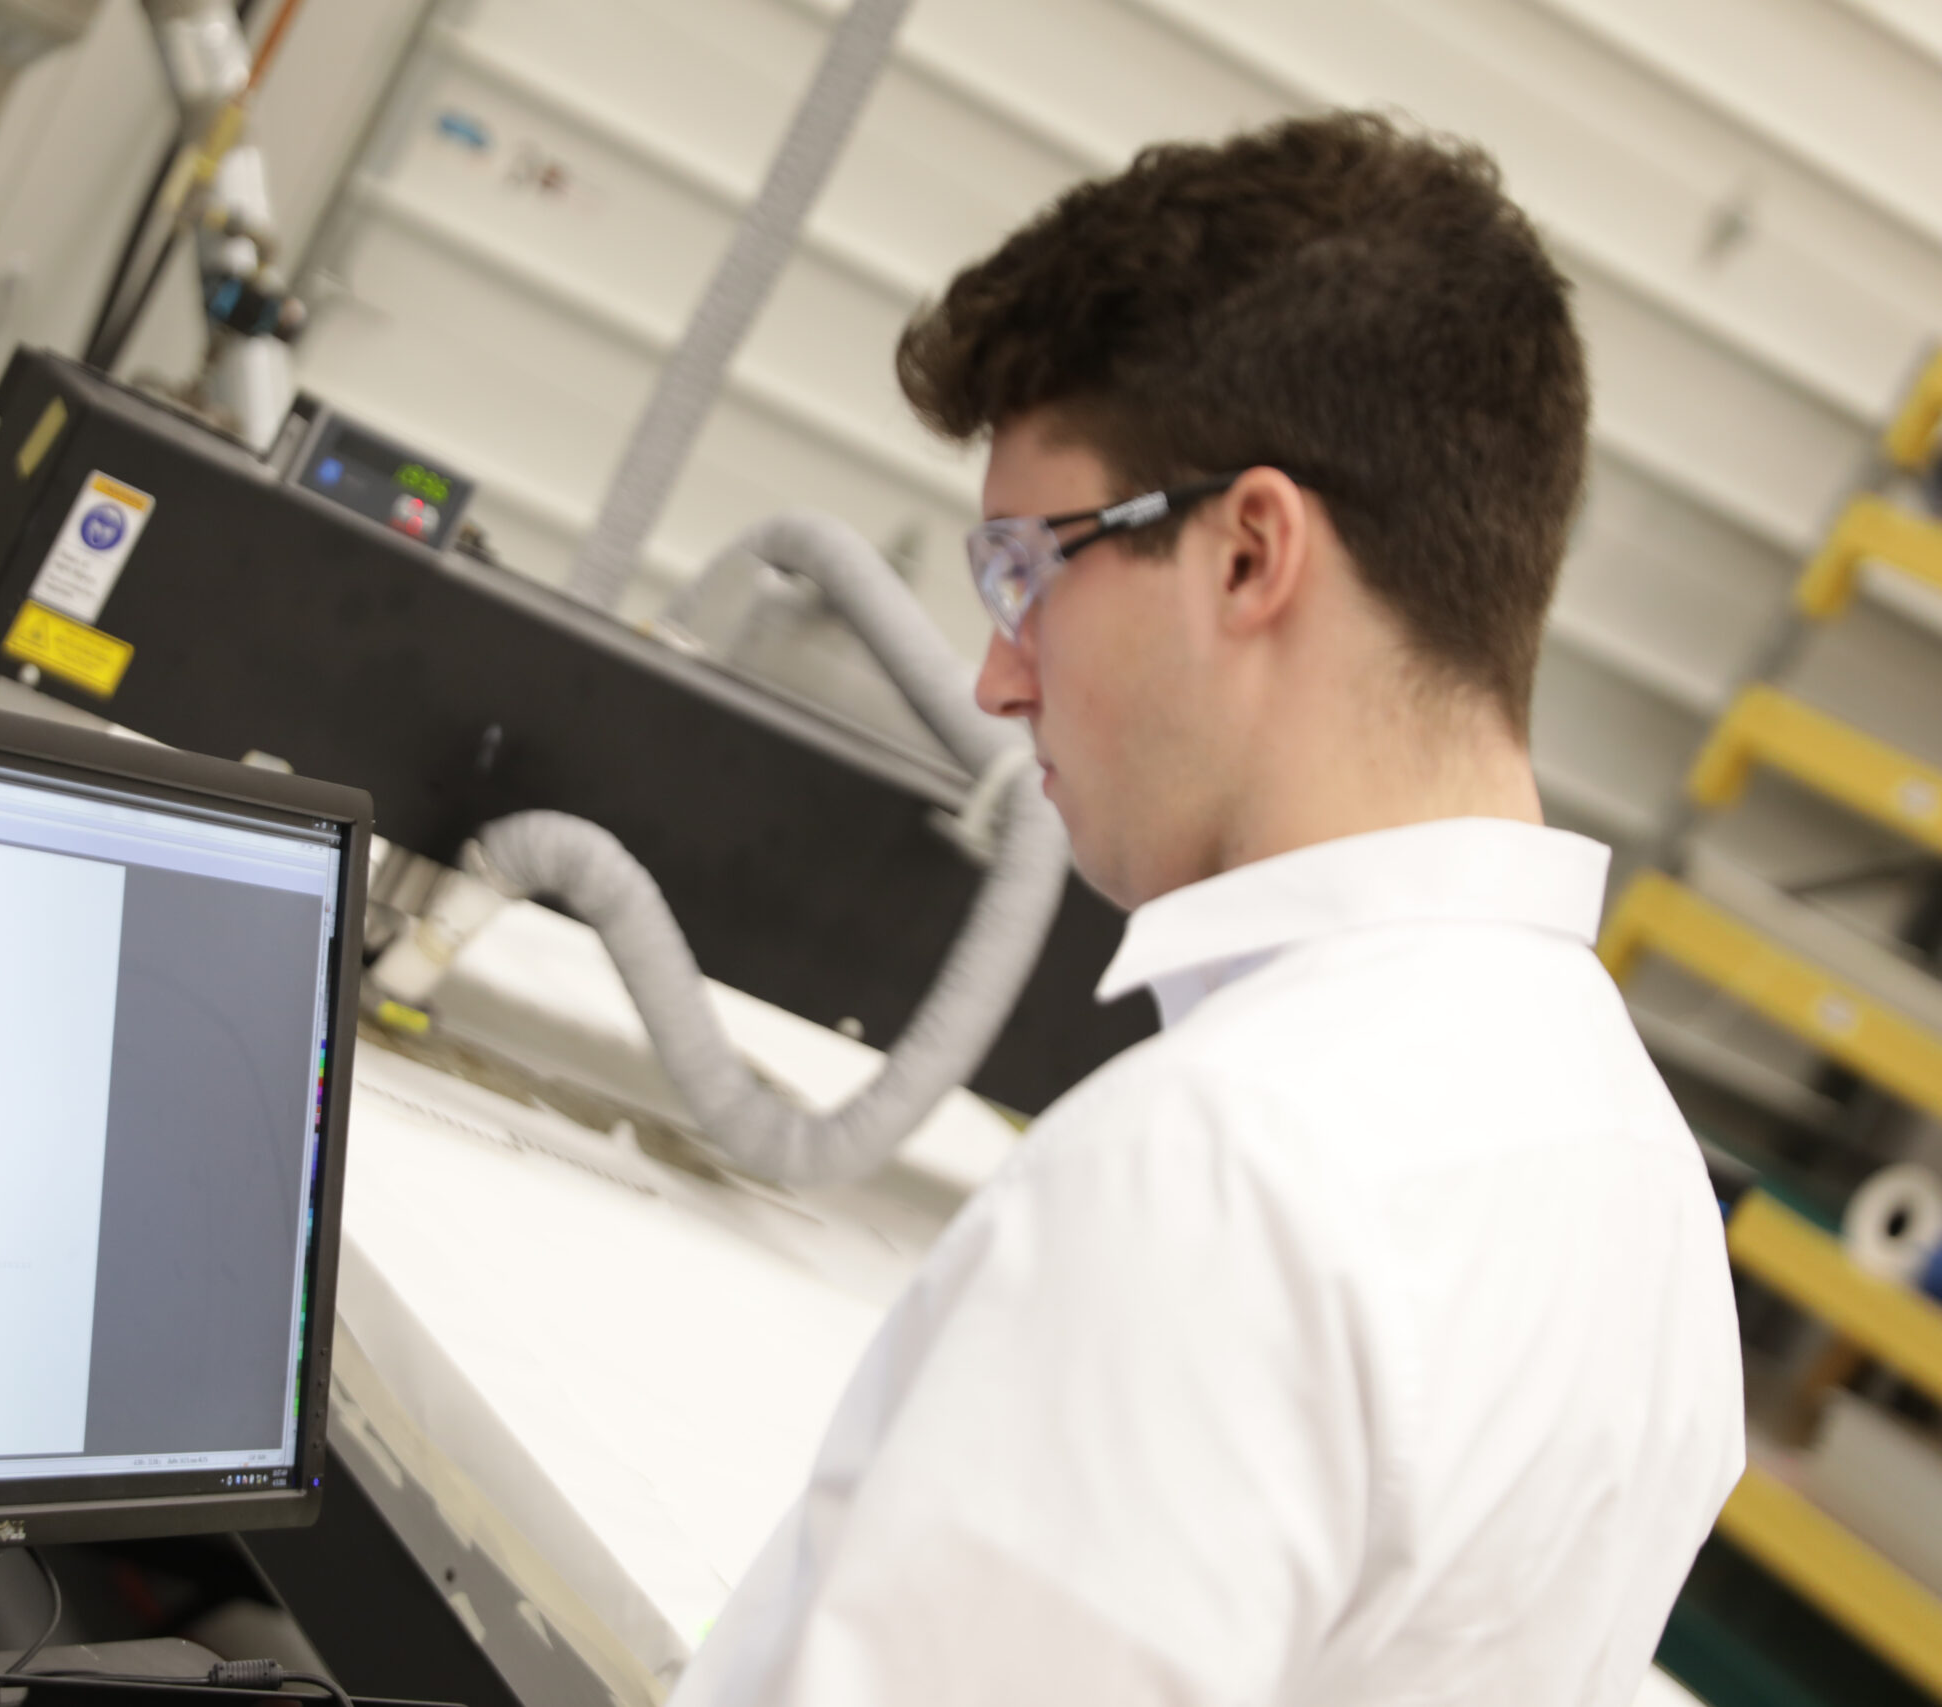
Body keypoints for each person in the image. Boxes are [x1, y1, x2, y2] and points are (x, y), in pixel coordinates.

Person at [671, 111, 1743, 1707]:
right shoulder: (1640, 1183)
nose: (994, 671)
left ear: (1249, 553)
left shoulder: (1221, 1173)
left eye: (1027, 573)